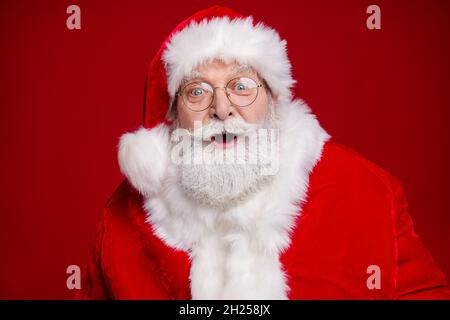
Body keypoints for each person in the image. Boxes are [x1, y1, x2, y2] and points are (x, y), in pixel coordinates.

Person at [75, 5, 450, 299]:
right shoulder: (122, 218)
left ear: (273, 97)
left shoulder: (369, 192)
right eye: (198, 91)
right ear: (172, 115)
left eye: (241, 86)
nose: (221, 109)